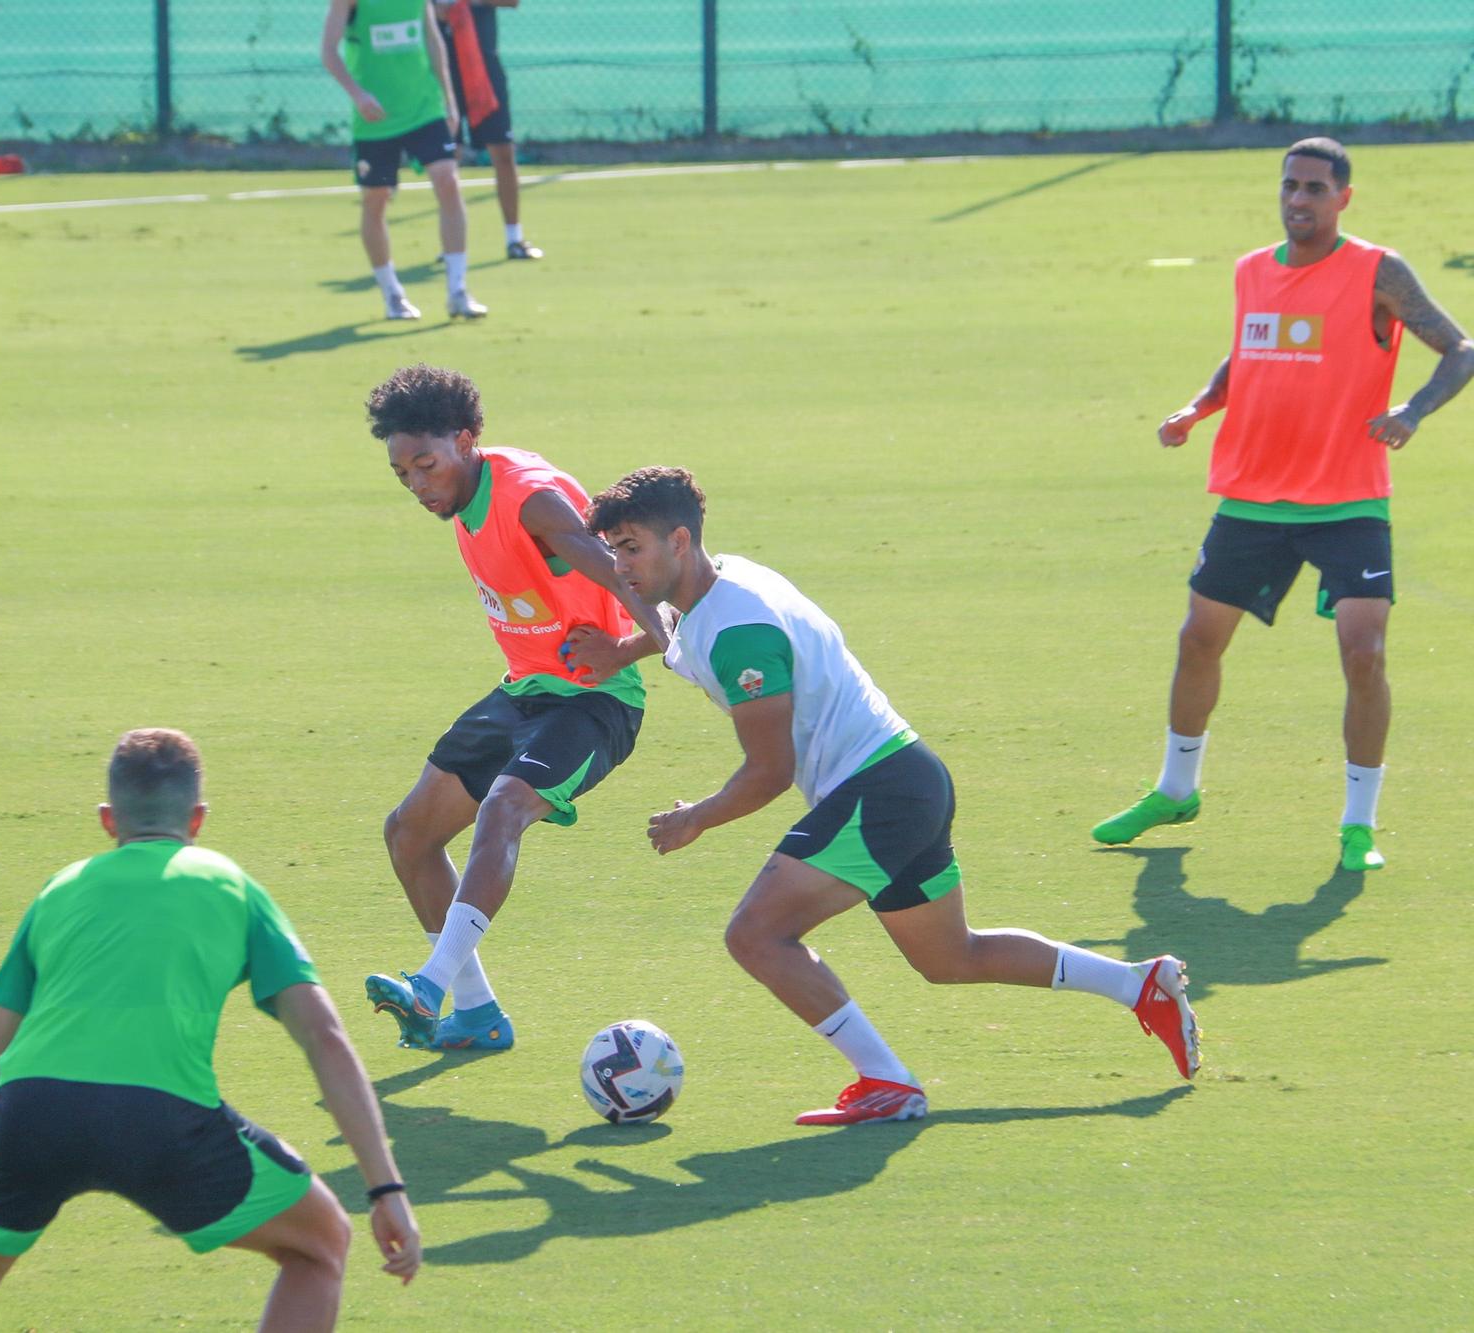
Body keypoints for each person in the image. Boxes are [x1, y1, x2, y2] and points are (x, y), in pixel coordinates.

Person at [576, 467, 1198, 1126]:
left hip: (880, 789)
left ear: (678, 540)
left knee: (756, 934)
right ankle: (1137, 982)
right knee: (951, 956)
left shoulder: (741, 633)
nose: (619, 566)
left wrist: (694, 818)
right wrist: (620, 651)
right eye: (613, 549)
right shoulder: (716, 581)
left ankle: (889, 1081)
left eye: (631, 547)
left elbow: (770, 770)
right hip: (907, 777)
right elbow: (675, 626)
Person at [0, 729, 420, 1333]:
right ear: (197, 819)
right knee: (319, 1244)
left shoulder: (58, 892)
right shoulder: (231, 886)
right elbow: (324, 1036)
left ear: (107, 820)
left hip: (29, 1118)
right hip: (161, 1123)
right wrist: (386, 1190)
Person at [1092, 138, 1474, 869]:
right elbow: (1248, 349)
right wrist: (1197, 409)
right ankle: (1177, 788)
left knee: (1364, 655)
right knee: (1198, 640)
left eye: (1315, 189)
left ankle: (1358, 825)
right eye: (1290, 186)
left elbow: (1461, 349)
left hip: (1349, 500)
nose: (1299, 200)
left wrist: (1414, 410)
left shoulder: (1376, 272)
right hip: (1254, 498)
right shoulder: (1251, 272)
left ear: (1343, 198)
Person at [360, 365, 670, 1052]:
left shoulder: (530, 500)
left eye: (426, 464)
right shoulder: (468, 494)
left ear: (466, 440)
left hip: (596, 703)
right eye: (402, 472)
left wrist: (626, 651)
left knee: (505, 804)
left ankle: (432, 986)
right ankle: (475, 1014)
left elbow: (642, 583)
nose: (417, 484)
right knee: (409, 833)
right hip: (527, 689)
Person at [321, 0, 486, 321]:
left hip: (424, 108)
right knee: (376, 200)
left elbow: (433, 39)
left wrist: (449, 99)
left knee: (448, 180)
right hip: (376, 116)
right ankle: (392, 294)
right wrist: (357, 94)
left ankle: (458, 290)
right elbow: (328, 51)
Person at [437, 1, 543, 260]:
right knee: (447, 163)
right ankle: (451, 245)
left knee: (504, 154)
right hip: (445, 78)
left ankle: (514, 238)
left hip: (484, 73)